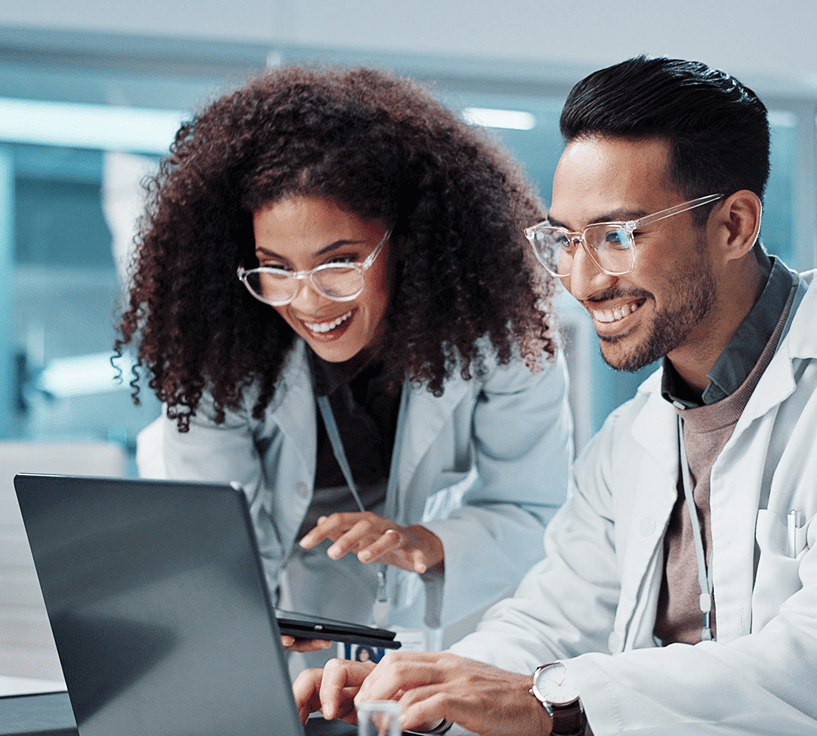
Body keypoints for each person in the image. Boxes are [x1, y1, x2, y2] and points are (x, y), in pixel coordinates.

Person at [296, 56, 817, 736]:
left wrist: (556, 701)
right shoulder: (632, 437)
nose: (581, 280)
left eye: (619, 236)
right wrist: (428, 689)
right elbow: (550, 621)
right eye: (565, 241)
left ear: (734, 224)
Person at [118, 66, 573, 648]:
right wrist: (247, 611)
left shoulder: (499, 337)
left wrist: (425, 543)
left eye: (338, 263)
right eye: (275, 268)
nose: (308, 301)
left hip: (443, 594)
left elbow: (534, 508)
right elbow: (220, 545)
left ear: (405, 240)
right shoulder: (218, 356)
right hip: (288, 592)